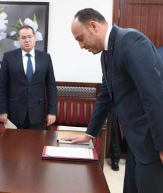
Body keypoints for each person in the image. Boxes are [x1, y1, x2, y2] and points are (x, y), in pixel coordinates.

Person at [63, 8, 163, 193]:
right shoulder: (106, 54)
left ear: (93, 26)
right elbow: (105, 96)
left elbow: (154, 96)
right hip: (135, 143)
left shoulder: (131, 42)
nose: (81, 45)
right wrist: (90, 133)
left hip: (151, 144)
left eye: (80, 38)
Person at [0, 25, 57, 129]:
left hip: (38, 112)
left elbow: (51, 87)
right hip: (15, 112)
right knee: (15, 144)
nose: (27, 40)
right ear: (18, 40)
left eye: (29, 37)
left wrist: (52, 112)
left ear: (35, 38)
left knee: (36, 144)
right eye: (23, 38)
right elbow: (2, 87)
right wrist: (2, 111)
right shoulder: (8, 57)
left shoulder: (45, 58)